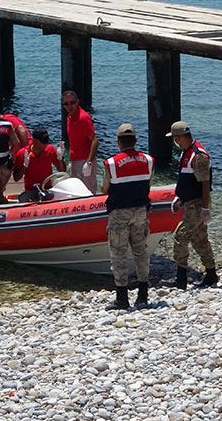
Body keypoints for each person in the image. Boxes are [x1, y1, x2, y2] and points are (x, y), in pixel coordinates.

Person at [101, 123, 155, 309]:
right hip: (140, 211)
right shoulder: (148, 160)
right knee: (141, 252)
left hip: (119, 213)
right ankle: (143, 294)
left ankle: (122, 298)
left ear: (118, 142)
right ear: (135, 140)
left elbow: (104, 189)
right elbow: (148, 183)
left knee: (118, 254)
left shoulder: (111, 163)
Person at [166, 121, 218, 289]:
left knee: (180, 237)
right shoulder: (186, 153)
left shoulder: (198, 155)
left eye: (175, 138)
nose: (174, 141)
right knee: (199, 239)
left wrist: (205, 208)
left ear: (180, 137)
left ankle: (181, 278)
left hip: (196, 204)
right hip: (189, 202)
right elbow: (188, 181)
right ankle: (211, 273)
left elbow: (204, 184)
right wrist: (179, 198)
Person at [12, 128, 67, 202]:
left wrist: (60, 159)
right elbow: (16, 178)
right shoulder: (23, 153)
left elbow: (62, 171)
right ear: (35, 141)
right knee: (24, 198)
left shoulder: (50, 149)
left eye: (46, 143)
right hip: (31, 190)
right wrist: (24, 166)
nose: (45, 145)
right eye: (42, 143)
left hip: (47, 189)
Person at [62, 91, 99, 194]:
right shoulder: (69, 117)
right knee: (75, 192)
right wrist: (69, 160)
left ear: (77, 102)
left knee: (88, 192)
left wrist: (89, 162)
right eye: (66, 103)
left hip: (85, 161)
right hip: (74, 161)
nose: (70, 106)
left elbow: (95, 141)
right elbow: (73, 141)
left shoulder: (83, 118)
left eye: (72, 102)